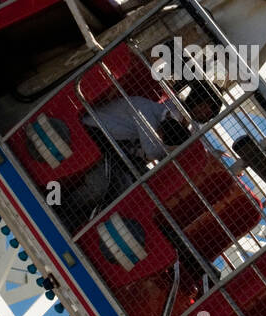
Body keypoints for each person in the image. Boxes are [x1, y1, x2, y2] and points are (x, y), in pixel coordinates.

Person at [54, 85, 218, 232]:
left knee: (125, 192)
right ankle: (60, 215)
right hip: (98, 133)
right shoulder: (146, 111)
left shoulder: (170, 122)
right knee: (101, 183)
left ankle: (77, 225)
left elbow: (152, 151)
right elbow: (152, 151)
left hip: (118, 148)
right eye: (205, 109)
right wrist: (167, 147)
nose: (205, 115)